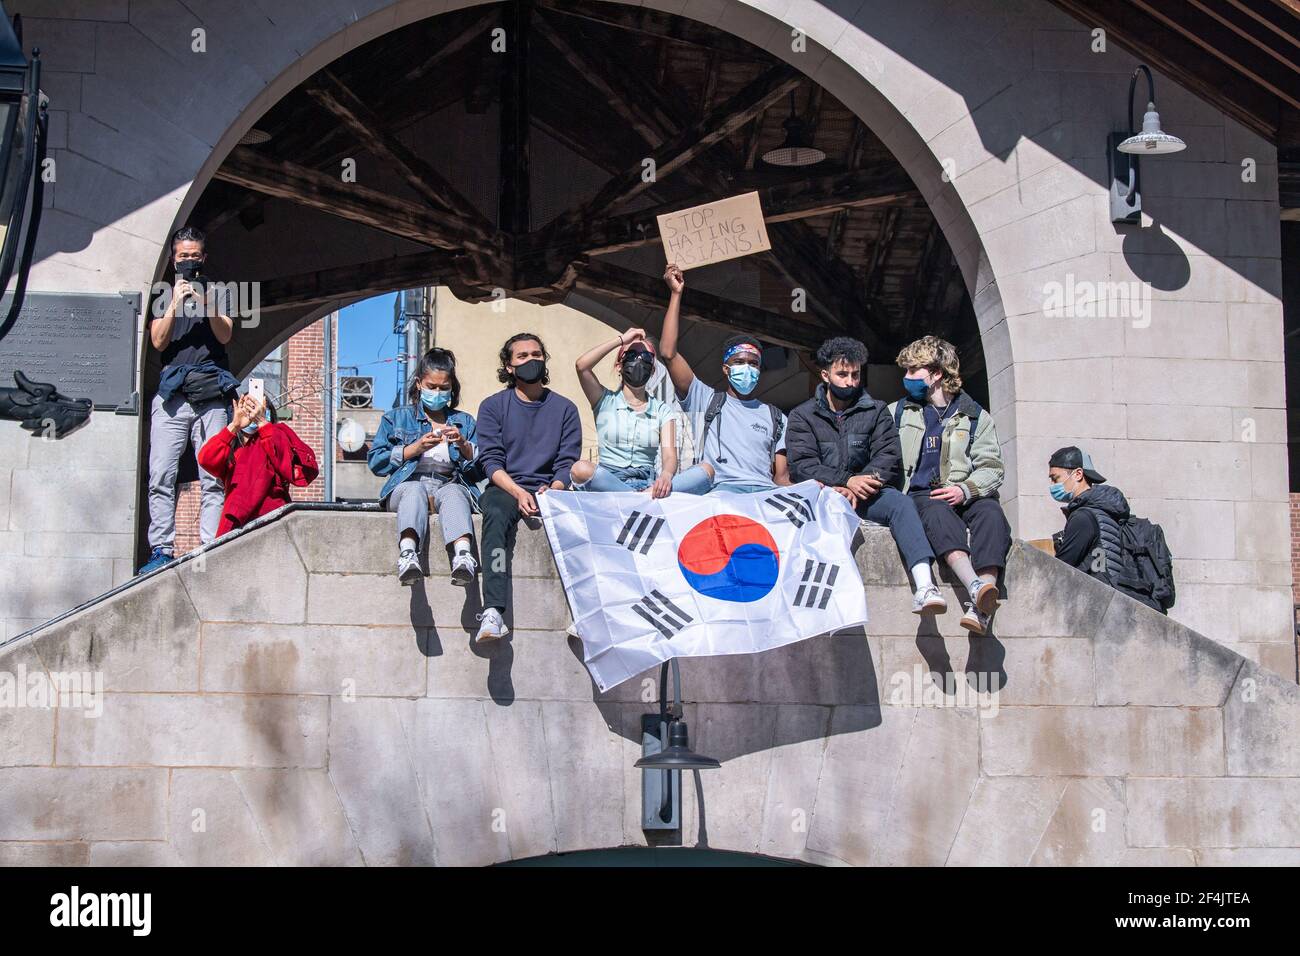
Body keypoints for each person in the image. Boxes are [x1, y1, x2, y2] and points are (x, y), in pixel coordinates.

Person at [786, 337, 946, 616]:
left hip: (868, 494)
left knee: (900, 503)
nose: (850, 381)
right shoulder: (802, 416)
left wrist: (861, 484)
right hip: (824, 496)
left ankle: (925, 586)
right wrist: (843, 482)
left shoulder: (876, 410)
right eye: (842, 374)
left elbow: (888, 457)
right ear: (825, 375)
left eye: (856, 374)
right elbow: (802, 465)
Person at [890, 336, 1011, 636]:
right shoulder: (899, 412)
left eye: (913, 370)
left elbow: (992, 467)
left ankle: (982, 603)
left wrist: (966, 489)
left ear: (937, 374)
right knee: (937, 512)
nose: (906, 378)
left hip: (966, 491)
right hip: (923, 494)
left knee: (992, 515)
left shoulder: (975, 415)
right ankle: (975, 587)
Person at [140, 225, 239, 574]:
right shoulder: (163, 292)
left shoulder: (220, 292)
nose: (189, 262)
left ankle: (210, 546)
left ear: (204, 258)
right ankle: (161, 550)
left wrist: (205, 301)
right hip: (173, 397)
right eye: (183, 257)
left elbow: (225, 334)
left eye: (195, 257)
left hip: (211, 396)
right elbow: (158, 341)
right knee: (161, 475)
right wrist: (175, 304)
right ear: (172, 259)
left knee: (214, 475)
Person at [475, 333, 582, 641]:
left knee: (579, 526)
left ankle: (583, 613)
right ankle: (494, 611)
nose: (530, 360)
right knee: (494, 519)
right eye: (522, 356)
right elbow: (491, 461)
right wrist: (518, 492)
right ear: (509, 366)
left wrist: (557, 486)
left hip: (552, 488)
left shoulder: (564, 409)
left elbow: (567, 461)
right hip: (508, 487)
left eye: (536, 354)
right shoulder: (493, 406)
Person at [657, 263, 790, 494]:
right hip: (721, 496)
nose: (747, 368)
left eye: (753, 363)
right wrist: (676, 294)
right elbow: (668, 353)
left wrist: (820, 491)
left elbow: (781, 478)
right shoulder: (706, 399)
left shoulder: (777, 417)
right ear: (726, 369)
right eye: (739, 362)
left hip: (763, 498)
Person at [369, 348, 482, 587]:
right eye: (432, 386)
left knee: (454, 492)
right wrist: (414, 448)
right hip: (406, 487)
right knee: (414, 490)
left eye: (443, 388)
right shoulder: (396, 418)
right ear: (420, 384)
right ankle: (408, 554)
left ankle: (463, 556)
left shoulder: (465, 422)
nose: (438, 393)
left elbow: (479, 468)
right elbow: (376, 462)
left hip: (447, 485)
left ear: (452, 387)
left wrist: (462, 444)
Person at [570, 327, 713, 496]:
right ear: (619, 366)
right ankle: (639, 498)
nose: (638, 360)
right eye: (631, 355)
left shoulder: (662, 410)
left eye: (645, 357)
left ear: (652, 370)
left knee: (706, 470)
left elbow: (669, 456)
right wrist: (622, 340)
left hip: (649, 481)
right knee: (580, 469)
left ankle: (639, 496)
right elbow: (582, 366)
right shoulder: (604, 400)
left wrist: (666, 476)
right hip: (609, 479)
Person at [1048, 446, 1165, 613]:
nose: (1052, 485)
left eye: (1055, 478)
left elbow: (1061, 566)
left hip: (1102, 604)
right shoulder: (1105, 511)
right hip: (1118, 596)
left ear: (1078, 474)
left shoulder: (1083, 517)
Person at [196, 392, 317, 538]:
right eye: (248, 409)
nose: (252, 414)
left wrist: (262, 423)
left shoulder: (278, 433)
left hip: (273, 520)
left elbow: (296, 469)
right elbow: (206, 459)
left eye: (256, 409)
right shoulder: (233, 447)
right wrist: (234, 426)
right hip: (238, 526)